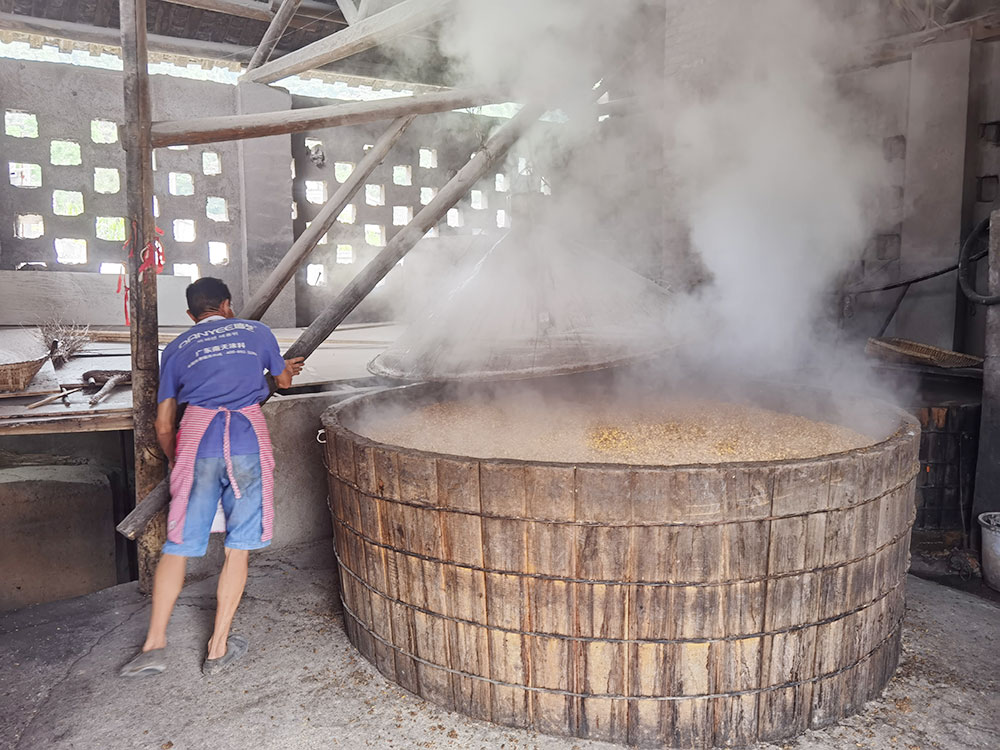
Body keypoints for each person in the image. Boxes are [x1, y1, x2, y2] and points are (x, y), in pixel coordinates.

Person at [120, 277, 305, 677]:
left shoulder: (176, 348)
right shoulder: (257, 332)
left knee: (178, 544)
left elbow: (164, 422)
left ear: (191, 315)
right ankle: (218, 648)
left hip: (196, 441)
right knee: (238, 548)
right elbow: (285, 382)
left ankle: (153, 646)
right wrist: (283, 368)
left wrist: (178, 459)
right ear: (227, 305)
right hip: (246, 442)